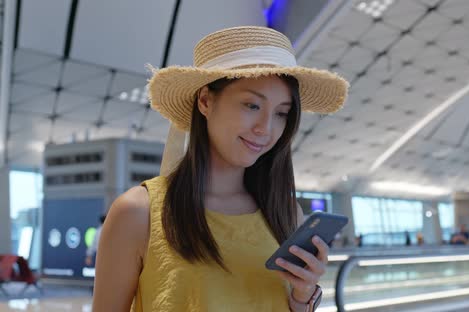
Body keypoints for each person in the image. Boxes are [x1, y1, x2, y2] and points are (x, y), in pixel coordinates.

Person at [92, 26, 348, 311]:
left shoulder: (286, 213)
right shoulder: (139, 212)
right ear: (205, 101)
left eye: (281, 113)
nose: (266, 128)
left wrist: (303, 296)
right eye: (251, 105)